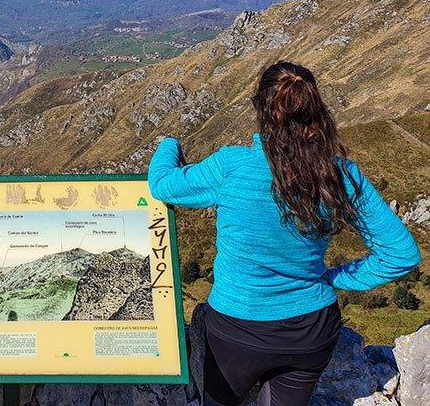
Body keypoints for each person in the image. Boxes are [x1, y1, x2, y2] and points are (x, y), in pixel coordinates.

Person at [148, 61, 421, 406]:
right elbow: (401, 254)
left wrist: (168, 144)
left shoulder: (233, 165)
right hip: (310, 331)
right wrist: (332, 278)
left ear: (260, 110)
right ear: (316, 112)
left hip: (236, 329)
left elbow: (161, 185)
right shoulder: (338, 173)